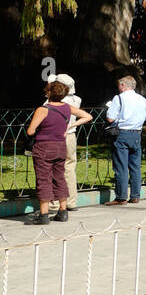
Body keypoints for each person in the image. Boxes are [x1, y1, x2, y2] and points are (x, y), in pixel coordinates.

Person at [26, 81, 91, 224]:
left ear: (49, 93)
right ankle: (63, 212)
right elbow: (88, 116)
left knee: (43, 179)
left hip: (43, 147)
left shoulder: (43, 109)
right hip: (60, 147)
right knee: (59, 178)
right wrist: (70, 126)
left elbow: (30, 130)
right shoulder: (67, 107)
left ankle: (43, 215)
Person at [106, 75, 146, 205]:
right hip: (137, 134)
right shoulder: (142, 99)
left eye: (119, 85)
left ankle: (121, 197)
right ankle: (135, 196)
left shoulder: (119, 98)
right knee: (135, 166)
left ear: (123, 85)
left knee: (121, 166)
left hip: (122, 134)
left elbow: (110, 118)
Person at [49, 73, 81, 208]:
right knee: (69, 168)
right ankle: (71, 201)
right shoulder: (77, 100)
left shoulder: (54, 102)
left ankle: (54, 203)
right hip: (71, 136)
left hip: (56, 137)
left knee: (54, 168)